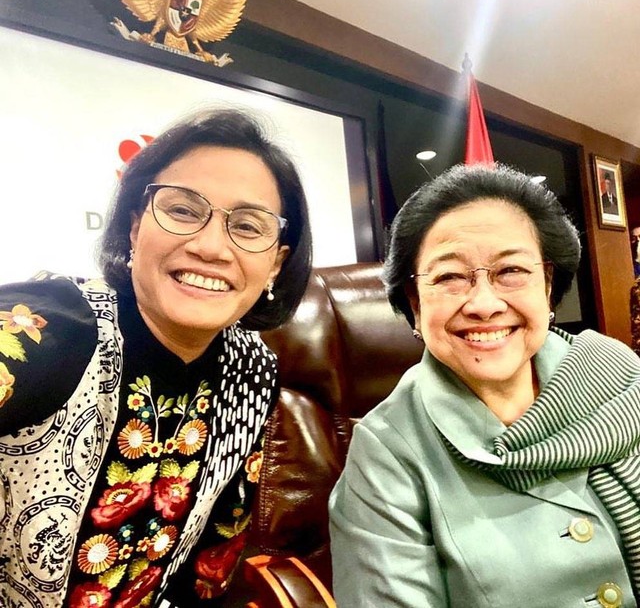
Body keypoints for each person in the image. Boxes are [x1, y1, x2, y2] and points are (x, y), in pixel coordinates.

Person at [0, 108, 312, 607]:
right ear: (133, 227)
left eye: (249, 226)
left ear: (275, 262)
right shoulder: (48, 331)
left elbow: (213, 559)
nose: (212, 247)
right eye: (184, 211)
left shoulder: (251, 368)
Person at [329, 164, 640, 607]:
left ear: (548, 286)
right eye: (450, 277)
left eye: (511, 270)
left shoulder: (620, 376)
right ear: (415, 304)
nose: (484, 304)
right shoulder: (385, 454)